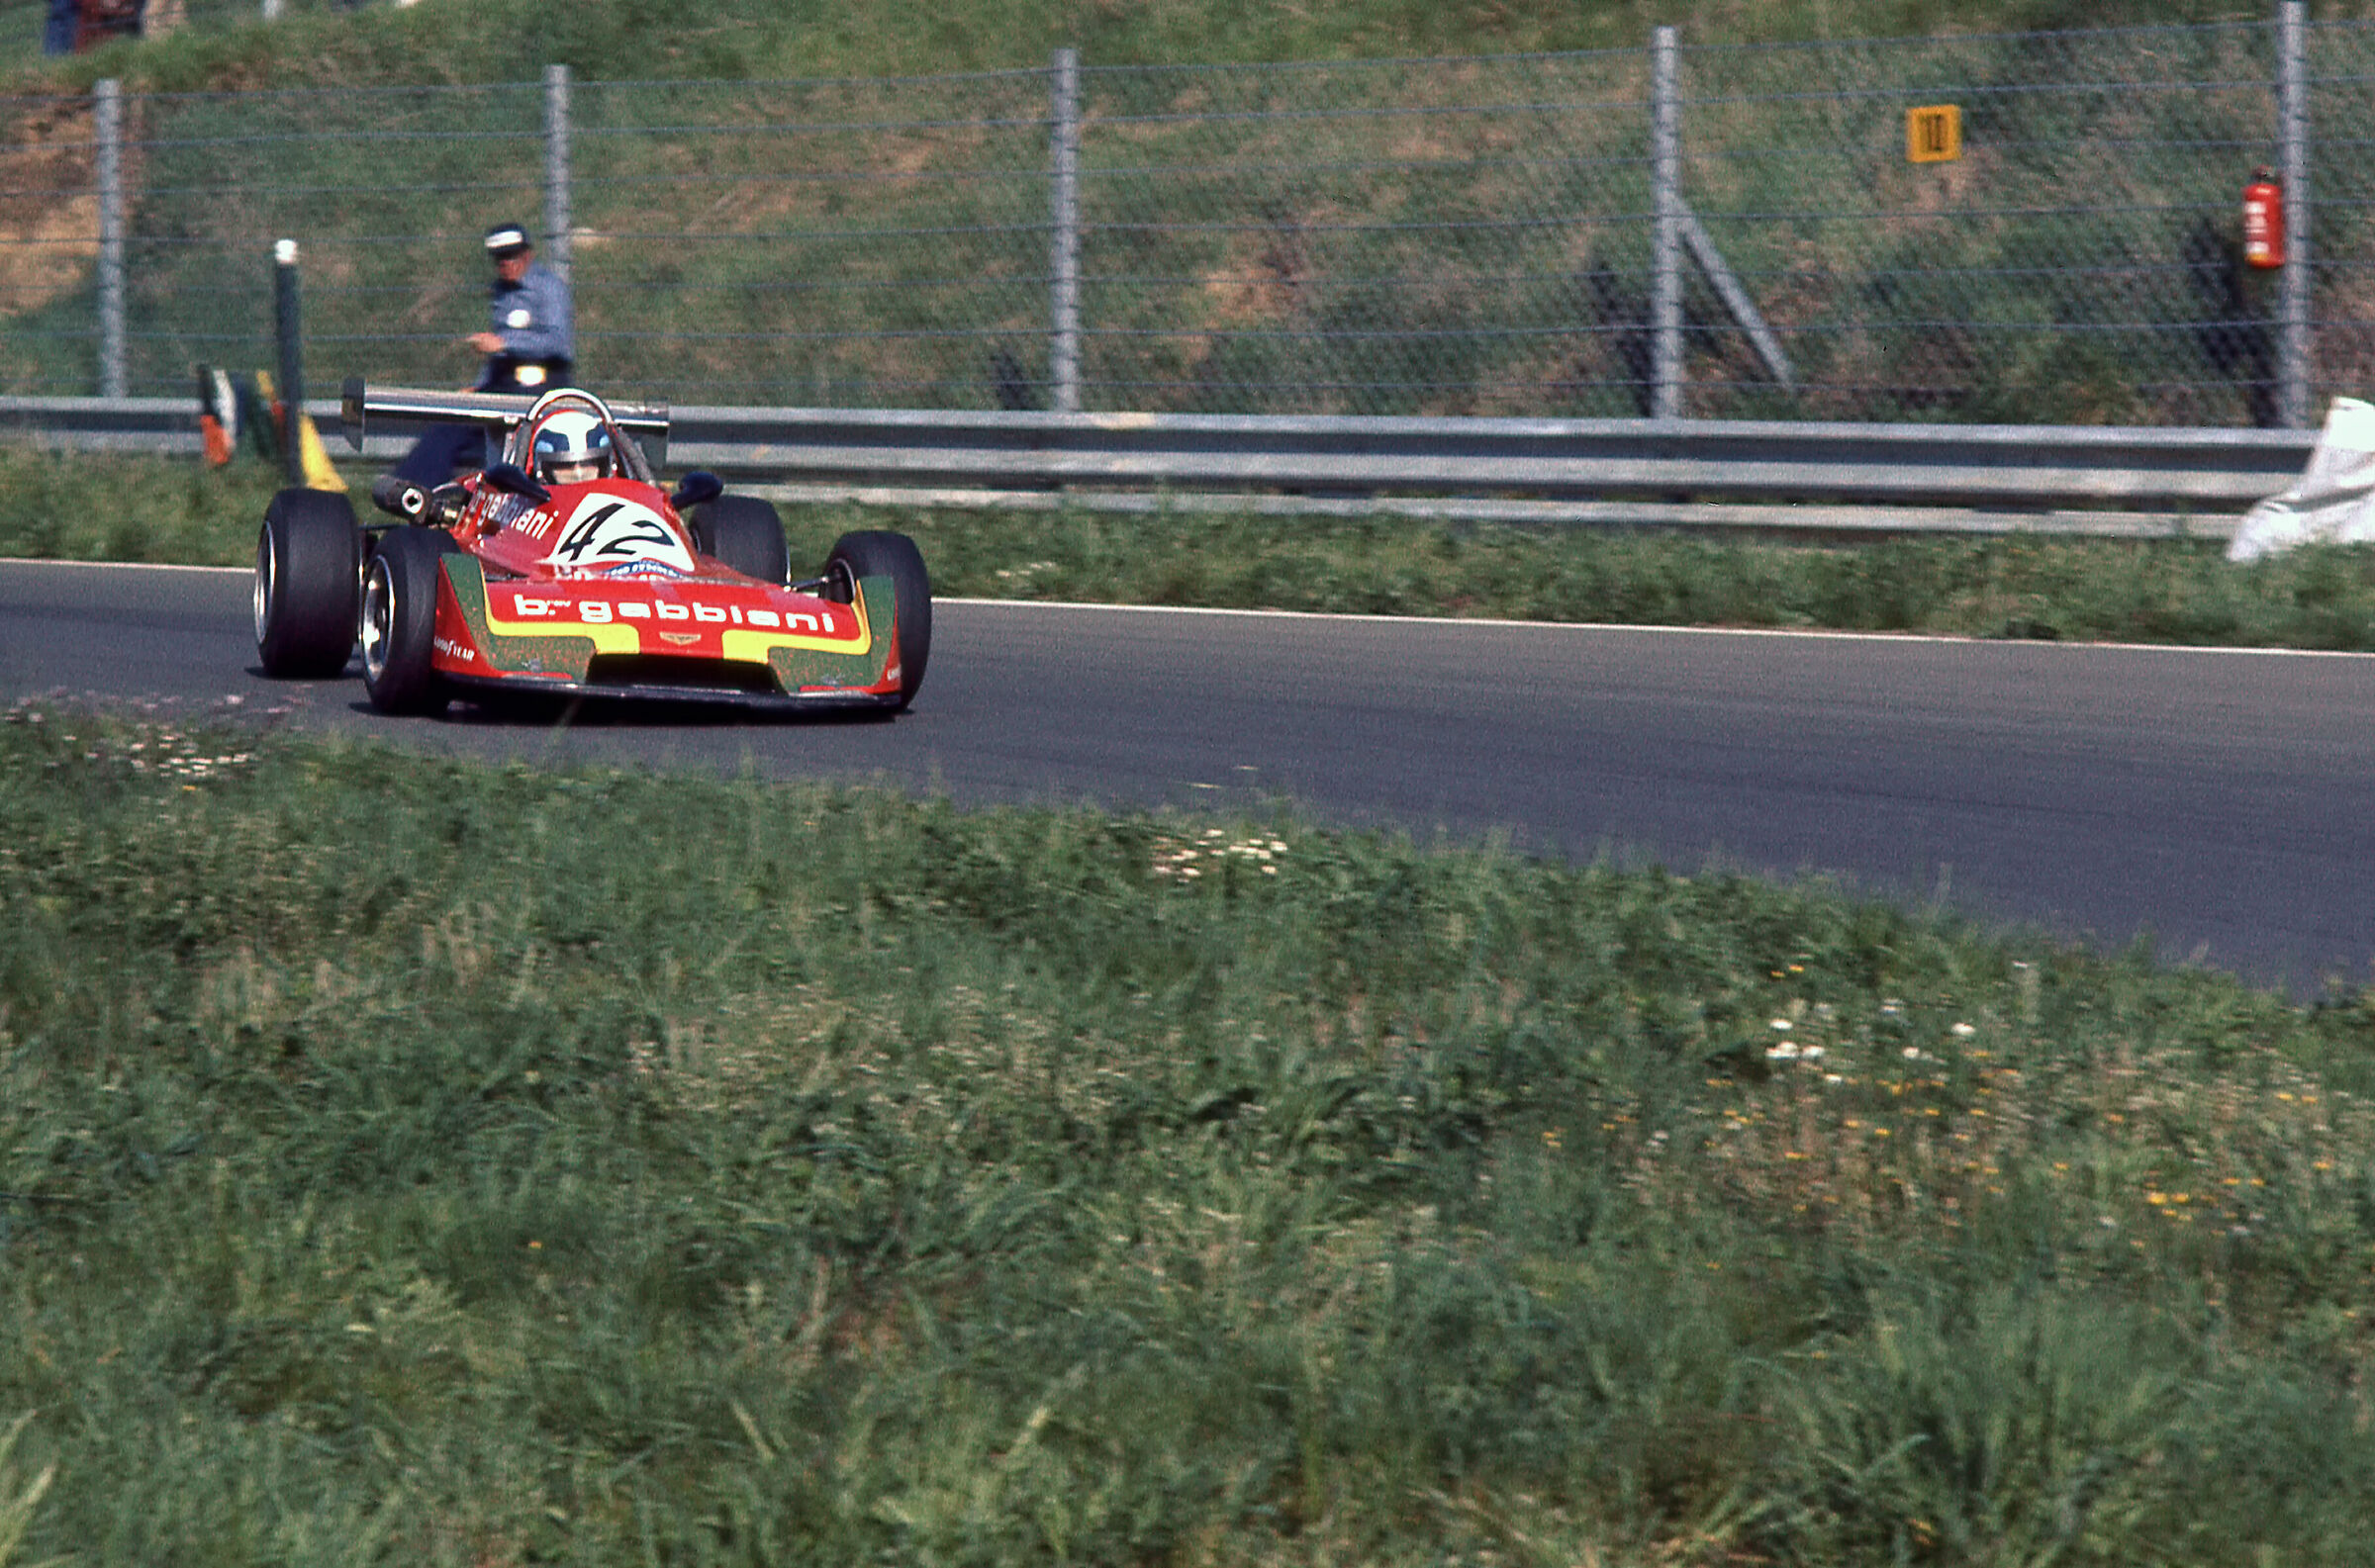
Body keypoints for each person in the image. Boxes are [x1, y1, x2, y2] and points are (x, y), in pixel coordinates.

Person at [393, 223, 576, 485]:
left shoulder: (549, 289)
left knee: (510, 442)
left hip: (543, 387)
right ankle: (416, 496)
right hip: (502, 384)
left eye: (512, 256)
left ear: (527, 255)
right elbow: (497, 357)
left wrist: (504, 343)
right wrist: (477, 386)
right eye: (500, 259)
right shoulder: (501, 292)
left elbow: (559, 344)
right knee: (446, 429)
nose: (506, 264)